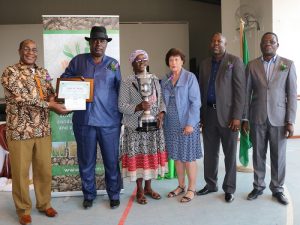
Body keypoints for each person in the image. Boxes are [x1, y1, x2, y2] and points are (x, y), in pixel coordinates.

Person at [1, 39, 69, 225]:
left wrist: (61, 100)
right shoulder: (10, 72)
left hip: (42, 129)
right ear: (20, 51)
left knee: (44, 170)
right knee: (21, 173)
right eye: (26, 49)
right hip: (20, 130)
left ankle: (44, 203)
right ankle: (23, 210)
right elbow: (20, 98)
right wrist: (50, 104)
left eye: (34, 50)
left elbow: (49, 93)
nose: (30, 52)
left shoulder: (43, 72)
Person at [60, 26, 122, 209]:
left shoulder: (113, 64)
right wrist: (77, 82)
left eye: (102, 41)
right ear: (89, 42)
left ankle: (114, 194)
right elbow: (64, 81)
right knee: (86, 161)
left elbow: (120, 91)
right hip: (83, 121)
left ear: (106, 44)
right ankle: (89, 194)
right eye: (95, 40)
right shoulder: (78, 61)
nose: (98, 44)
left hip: (109, 122)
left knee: (111, 160)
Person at [242, 32, 297, 205]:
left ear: (277, 45)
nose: (268, 44)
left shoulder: (287, 64)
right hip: (257, 117)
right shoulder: (251, 65)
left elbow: (291, 93)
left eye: (271, 41)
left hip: (279, 119)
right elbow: (246, 94)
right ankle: (258, 186)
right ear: (260, 45)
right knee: (258, 154)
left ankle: (277, 189)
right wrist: (245, 118)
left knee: (278, 155)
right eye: (265, 42)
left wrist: (290, 120)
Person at [197, 32, 246, 203]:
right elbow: (201, 90)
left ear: (225, 44)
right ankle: (211, 184)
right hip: (209, 114)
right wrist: (201, 115)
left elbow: (241, 92)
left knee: (230, 153)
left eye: (219, 41)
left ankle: (229, 188)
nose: (216, 43)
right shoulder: (204, 64)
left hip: (229, 117)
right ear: (211, 44)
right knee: (210, 153)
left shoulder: (235, 61)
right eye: (213, 41)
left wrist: (237, 117)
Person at [118, 50, 168, 205]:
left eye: (144, 59)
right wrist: (138, 106)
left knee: (151, 158)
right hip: (135, 128)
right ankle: (139, 190)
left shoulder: (154, 79)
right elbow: (121, 106)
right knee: (140, 160)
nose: (141, 62)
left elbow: (161, 100)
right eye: (137, 60)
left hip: (153, 127)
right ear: (132, 63)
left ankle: (148, 187)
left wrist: (161, 113)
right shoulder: (127, 81)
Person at [162, 48, 202, 203]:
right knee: (177, 157)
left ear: (182, 61)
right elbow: (162, 102)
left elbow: (195, 102)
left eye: (176, 59)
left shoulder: (190, 77)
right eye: (171, 60)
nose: (173, 63)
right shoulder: (166, 79)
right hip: (171, 124)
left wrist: (191, 123)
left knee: (188, 157)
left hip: (186, 124)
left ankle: (192, 189)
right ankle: (180, 186)